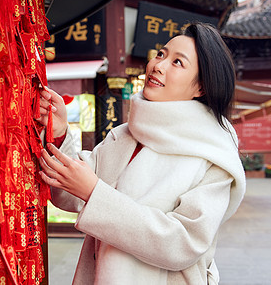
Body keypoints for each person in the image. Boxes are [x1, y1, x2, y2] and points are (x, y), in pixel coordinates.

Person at [37, 22, 246, 285]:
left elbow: (183, 242)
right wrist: (60, 129)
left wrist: (95, 193)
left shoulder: (212, 155)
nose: (158, 65)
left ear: (201, 88)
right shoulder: (126, 135)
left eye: (177, 62)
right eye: (161, 54)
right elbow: (67, 195)